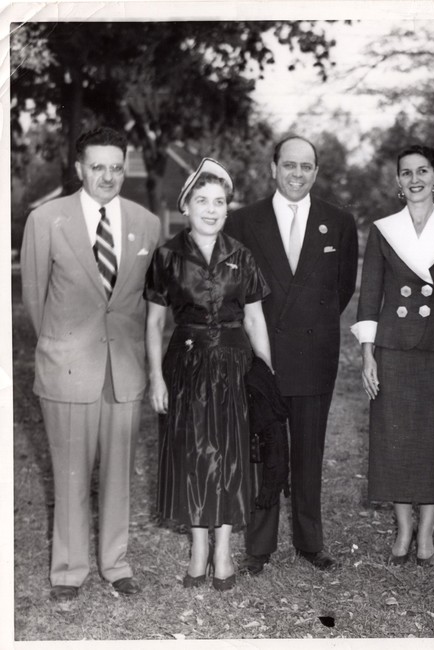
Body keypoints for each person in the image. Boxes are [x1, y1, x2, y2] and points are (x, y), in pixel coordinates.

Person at [20, 126, 161, 602]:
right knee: (71, 473)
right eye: (97, 166)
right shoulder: (46, 219)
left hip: (122, 370)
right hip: (68, 368)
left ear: (125, 168)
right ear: (79, 168)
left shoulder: (147, 223)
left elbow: (145, 303)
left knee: (119, 474)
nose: (107, 176)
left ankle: (115, 563)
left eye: (116, 167)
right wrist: (65, 349)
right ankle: (69, 569)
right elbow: (35, 302)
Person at [225, 135, 359, 573]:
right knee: (264, 450)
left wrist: (311, 328)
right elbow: (235, 291)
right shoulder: (243, 221)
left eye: (306, 166)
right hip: (261, 355)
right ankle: (259, 547)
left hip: (313, 353)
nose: (297, 174)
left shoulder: (338, 222)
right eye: (289, 165)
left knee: (308, 453)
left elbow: (340, 290)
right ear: (273, 168)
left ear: (316, 172)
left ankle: (309, 540)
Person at [145, 158, 272, 591]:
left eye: (220, 202)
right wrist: (156, 378)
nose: (212, 209)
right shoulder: (167, 256)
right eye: (203, 200)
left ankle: (223, 551)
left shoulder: (241, 255)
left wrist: (266, 375)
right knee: (193, 455)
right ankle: (198, 548)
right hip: (186, 366)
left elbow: (255, 320)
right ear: (186, 206)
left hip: (235, 366)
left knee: (231, 456)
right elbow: (153, 324)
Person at [352, 145, 434, 567]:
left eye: (422, 171)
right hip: (394, 347)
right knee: (394, 440)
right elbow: (369, 297)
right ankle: (403, 529)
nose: (414, 179)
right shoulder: (384, 230)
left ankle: (427, 534)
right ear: (397, 181)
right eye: (406, 173)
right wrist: (368, 356)